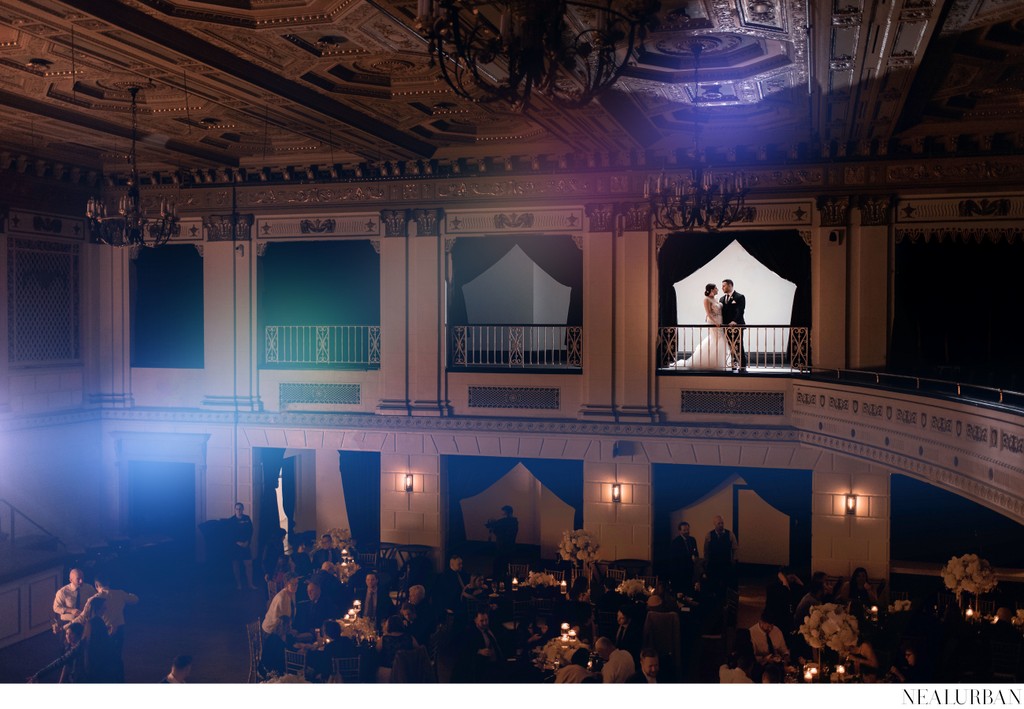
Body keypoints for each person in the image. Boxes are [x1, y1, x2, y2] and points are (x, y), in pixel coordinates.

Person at [92, 574, 139, 681]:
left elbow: (83, 617)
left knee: (103, 657)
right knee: (117, 656)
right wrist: (128, 594)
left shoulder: (94, 599)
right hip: (119, 630)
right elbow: (135, 600)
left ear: (96, 585)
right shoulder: (120, 593)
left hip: (102, 632)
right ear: (109, 583)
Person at [683, 284, 728, 369]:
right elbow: (708, 313)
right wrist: (715, 323)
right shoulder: (706, 299)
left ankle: (717, 361)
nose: (718, 289)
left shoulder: (717, 299)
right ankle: (712, 362)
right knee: (718, 339)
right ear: (712, 289)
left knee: (717, 340)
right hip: (713, 321)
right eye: (716, 288)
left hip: (720, 320)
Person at [703, 515, 739, 596]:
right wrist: (706, 562)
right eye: (719, 523)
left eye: (722, 523)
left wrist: (734, 560)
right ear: (714, 524)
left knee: (725, 584)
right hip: (713, 564)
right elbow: (706, 550)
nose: (721, 525)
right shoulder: (709, 535)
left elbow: (735, 548)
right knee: (714, 584)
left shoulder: (730, 534)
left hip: (726, 564)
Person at [749, 613, 790, 682]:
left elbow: (784, 649)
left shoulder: (777, 631)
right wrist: (765, 659)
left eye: (772, 626)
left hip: (777, 664)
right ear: (760, 622)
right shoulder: (751, 633)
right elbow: (750, 657)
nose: (770, 629)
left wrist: (785, 657)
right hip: (760, 665)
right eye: (768, 627)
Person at [53, 568, 96, 632]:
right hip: (67, 622)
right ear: (71, 580)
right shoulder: (62, 592)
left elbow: (95, 601)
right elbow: (56, 608)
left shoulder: (89, 588)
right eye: (78, 579)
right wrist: (71, 611)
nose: (81, 581)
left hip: (83, 622)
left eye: (82, 578)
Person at [226, 502, 256, 590]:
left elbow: (251, 531)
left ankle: (250, 584)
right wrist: (237, 542)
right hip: (235, 546)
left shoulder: (247, 518)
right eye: (237, 509)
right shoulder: (231, 520)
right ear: (234, 510)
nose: (238, 510)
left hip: (246, 545)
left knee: (249, 564)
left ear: (243, 509)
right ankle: (239, 585)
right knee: (236, 565)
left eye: (240, 509)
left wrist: (247, 542)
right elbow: (229, 534)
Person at [720, 278, 747, 370]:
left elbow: (740, 311)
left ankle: (742, 365)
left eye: (724, 286)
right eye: (722, 286)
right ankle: (733, 364)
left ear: (730, 285)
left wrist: (734, 321)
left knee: (738, 345)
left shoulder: (739, 297)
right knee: (729, 345)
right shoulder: (722, 299)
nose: (722, 288)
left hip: (737, 326)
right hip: (726, 327)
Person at [669, 521, 700, 594]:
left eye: (688, 530)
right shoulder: (675, 542)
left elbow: (696, 552)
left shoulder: (692, 540)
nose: (687, 532)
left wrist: (695, 556)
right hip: (681, 572)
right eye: (684, 530)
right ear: (680, 531)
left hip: (691, 571)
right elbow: (674, 560)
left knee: (690, 592)